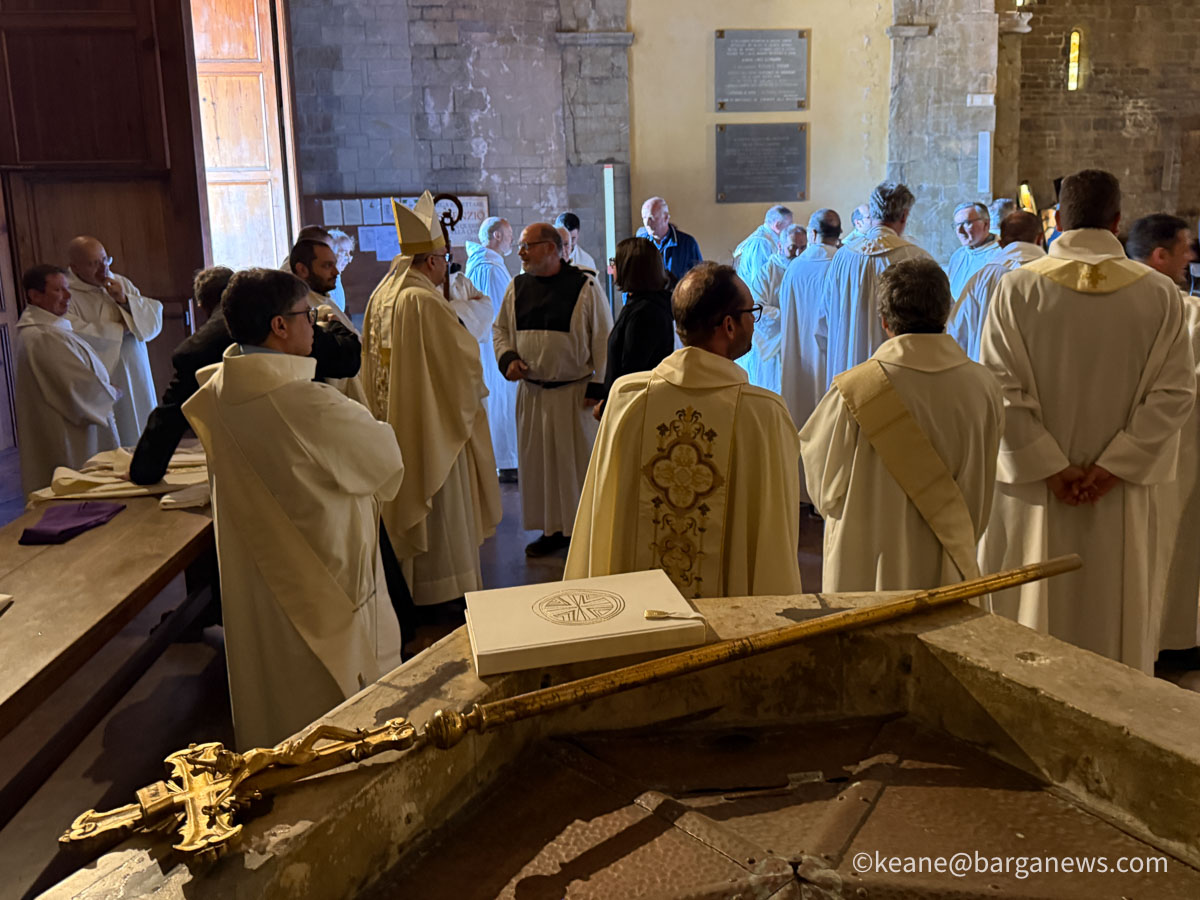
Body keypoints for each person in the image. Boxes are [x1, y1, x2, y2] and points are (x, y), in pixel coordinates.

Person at [979, 170, 1196, 675]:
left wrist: (1051, 466)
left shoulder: (1016, 290)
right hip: (1119, 492)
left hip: (1037, 491)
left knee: (1033, 616)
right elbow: (1174, 394)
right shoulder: (1160, 296)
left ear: (1057, 219)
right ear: (1117, 220)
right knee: (1114, 620)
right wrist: (1114, 465)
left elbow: (998, 388)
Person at [182, 267, 404, 750]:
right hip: (322, 570)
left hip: (257, 572)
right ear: (278, 326)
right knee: (329, 700)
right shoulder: (305, 403)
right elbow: (385, 460)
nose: (315, 326)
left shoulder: (219, 392)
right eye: (308, 316)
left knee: (272, 685)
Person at [566, 262, 803, 598]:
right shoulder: (762, 414)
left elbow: (603, 516)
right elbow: (774, 537)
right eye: (752, 311)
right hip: (730, 629)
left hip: (637, 616)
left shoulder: (628, 398)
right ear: (729, 326)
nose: (755, 320)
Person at [801, 258, 1002, 592]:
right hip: (951, 562)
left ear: (884, 321)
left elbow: (823, 488)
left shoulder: (854, 390)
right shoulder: (984, 386)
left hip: (869, 570)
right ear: (947, 311)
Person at [362, 192, 502, 611]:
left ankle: (413, 588)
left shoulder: (383, 294)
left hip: (396, 423)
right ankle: (442, 589)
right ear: (432, 261)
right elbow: (460, 361)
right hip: (432, 425)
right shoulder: (423, 301)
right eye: (444, 256)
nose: (447, 264)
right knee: (440, 507)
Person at [128, 266, 362, 485]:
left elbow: (167, 418)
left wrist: (144, 472)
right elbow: (348, 360)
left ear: (203, 307)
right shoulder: (288, 326)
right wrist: (333, 325)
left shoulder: (197, 351)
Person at [493, 223, 613, 556]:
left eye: (526, 245)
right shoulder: (517, 287)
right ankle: (551, 530)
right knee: (540, 466)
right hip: (532, 393)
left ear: (549, 248)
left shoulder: (585, 286)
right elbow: (500, 329)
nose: (520, 252)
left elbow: (604, 337)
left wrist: (599, 385)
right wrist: (509, 358)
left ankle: (582, 530)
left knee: (574, 465)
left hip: (574, 394)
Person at [1126, 214, 1200, 667]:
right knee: (1172, 543)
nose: (1191, 257)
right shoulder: (1185, 312)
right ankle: (1169, 637)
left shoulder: (1114, 303)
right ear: (1160, 254)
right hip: (1178, 448)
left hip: (1114, 454)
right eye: (1185, 247)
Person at [15, 264, 120, 497]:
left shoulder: (48, 329)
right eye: (59, 290)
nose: (68, 296)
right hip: (68, 431)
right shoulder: (43, 335)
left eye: (67, 289)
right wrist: (108, 392)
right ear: (35, 295)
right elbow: (75, 387)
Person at [821, 182, 931, 387]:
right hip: (896, 369)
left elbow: (826, 312)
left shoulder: (842, 257)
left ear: (872, 213)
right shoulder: (915, 258)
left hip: (848, 365)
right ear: (905, 215)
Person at [64, 235, 163, 445]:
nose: (103, 270)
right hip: (105, 372)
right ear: (75, 267)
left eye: (105, 260)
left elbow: (149, 320)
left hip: (135, 366)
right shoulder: (67, 293)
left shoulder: (121, 282)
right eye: (94, 264)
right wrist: (119, 329)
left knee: (142, 417)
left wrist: (124, 300)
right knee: (116, 431)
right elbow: (73, 332)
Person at [780, 209, 841, 471]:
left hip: (797, 360)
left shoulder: (794, 267)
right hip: (830, 358)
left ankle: (799, 489)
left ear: (813, 234)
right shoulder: (842, 263)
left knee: (799, 412)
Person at [947, 211, 1046, 361]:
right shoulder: (1055, 275)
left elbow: (956, 334)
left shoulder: (981, 278)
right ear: (1040, 239)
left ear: (1001, 244)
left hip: (988, 377)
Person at [465, 216, 519, 478]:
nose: (512, 240)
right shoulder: (490, 269)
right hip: (495, 347)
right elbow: (502, 313)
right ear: (496, 236)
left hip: (485, 345)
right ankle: (506, 461)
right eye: (509, 235)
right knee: (502, 400)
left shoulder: (482, 264)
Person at [597, 237, 674, 416]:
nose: (612, 267)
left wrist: (607, 406)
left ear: (630, 268)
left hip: (635, 409)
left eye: (615, 262)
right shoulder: (640, 304)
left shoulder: (646, 312)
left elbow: (632, 371)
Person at [743, 222, 806, 392]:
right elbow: (756, 307)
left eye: (803, 247)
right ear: (780, 246)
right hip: (774, 345)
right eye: (793, 247)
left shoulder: (807, 269)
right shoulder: (767, 273)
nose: (798, 253)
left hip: (803, 344)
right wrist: (786, 316)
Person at [636, 196, 703, 284]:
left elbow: (700, 278)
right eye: (644, 218)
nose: (647, 223)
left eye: (651, 218)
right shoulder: (640, 239)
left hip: (675, 296)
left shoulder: (687, 244)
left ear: (666, 218)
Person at [947, 202, 1003, 299]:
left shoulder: (1001, 256)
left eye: (966, 223)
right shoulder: (958, 255)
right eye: (956, 225)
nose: (960, 231)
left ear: (986, 224)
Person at [733, 205, 793, 291]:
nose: (790, 230)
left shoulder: (770, 238)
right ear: (778, 225)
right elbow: (760, 280)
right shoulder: (761, 243)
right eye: (789, 225)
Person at [326, 229, 356, 313]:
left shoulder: (336, 277)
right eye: (343, 253)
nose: (349, 260)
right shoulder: (325, 281)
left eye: (349, 253)